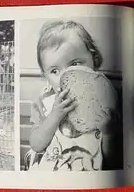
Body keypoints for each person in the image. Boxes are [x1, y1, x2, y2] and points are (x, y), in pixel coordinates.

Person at [27, 20, 120, 171]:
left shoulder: (106, 100)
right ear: (45, 75)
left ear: (94, 60)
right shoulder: (45, 101)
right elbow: (36, 145)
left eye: (75, 64)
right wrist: (54, 116)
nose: (66, 75)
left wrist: (109, 133)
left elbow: (113, 161)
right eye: (55, 71)